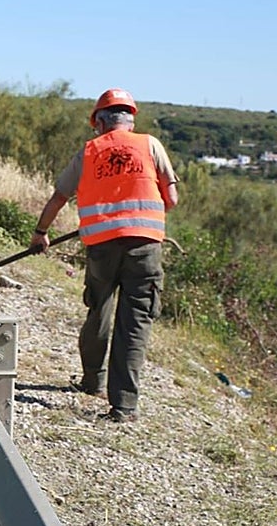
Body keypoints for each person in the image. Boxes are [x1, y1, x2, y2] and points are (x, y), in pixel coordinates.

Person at [30, 88, 179, 423]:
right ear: (130, 120)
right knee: (135, 322)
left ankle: (92, 381)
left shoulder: (89, 151)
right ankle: (124, 406)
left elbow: (58, 197)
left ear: (99, 122)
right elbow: (171, 199)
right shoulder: (151, 145)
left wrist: (40, 233)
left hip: (101, 247)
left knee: (99, 309)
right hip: (144, 247)